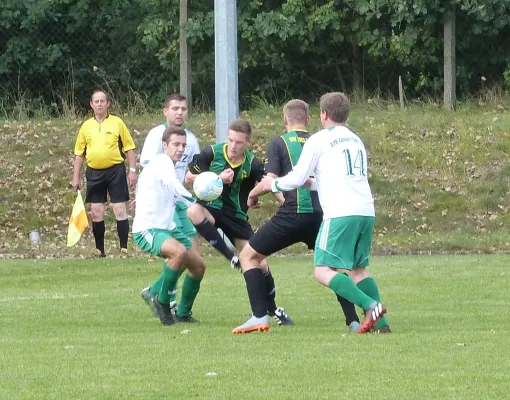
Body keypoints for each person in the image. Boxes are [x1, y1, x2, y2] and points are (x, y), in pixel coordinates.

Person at [261, 92, 390, 334]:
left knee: (322, 271)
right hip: (365, 210)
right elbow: (344, 177)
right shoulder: (355, 139)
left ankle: (371, 306)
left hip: (341, 212)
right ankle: (381, 324)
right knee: (358, 269)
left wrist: (273, 185)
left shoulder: (319, 140)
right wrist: (315, 184)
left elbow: (297, 177)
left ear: (323, 115)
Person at [232, 99, 361, 334]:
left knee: (248, 255)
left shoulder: (279, 143)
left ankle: (259, 316)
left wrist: (251, 196)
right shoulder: (320, 140)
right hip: (321, 215)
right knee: (331, 268)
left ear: (284, 120)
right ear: (309, 119)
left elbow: (270, 181)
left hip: (292, 215)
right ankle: (352, 320)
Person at [185, 118, 294, 327]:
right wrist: (217, 177)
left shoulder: (252, 163)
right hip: (211, 209)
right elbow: (189, 176)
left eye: (239, 142)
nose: (233, 146)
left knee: (259, 262)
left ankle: (273, 309)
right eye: (230, 140)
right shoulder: (212, 153)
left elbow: (268, 184)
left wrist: (284, 202)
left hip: (236, 217)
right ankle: (230, 257)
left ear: (248, 143)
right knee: (193, 210)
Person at [132, 126, 206, 326]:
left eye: (184, 145)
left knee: (198, 267)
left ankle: (182, 312)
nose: (181, 149)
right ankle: (162, 301)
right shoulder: (162, 161)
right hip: (148, 228)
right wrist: (195, 201)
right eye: (176, 144)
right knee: (178, 253)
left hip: (168, 227)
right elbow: (173, 184)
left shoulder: (167, 165)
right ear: (164, 145)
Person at [72, 90, 137, 257]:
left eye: (103, 101)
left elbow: (129, 148)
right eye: (96, 101)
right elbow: (79, 153)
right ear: (91, 104)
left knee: (119, 208)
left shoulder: (117, 123)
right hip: (94, 172)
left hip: (116, 171)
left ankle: (123, 249)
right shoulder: (86, 126)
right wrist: (75, 177)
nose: (100, 104)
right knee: (96, 211)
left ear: (108, 103)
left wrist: (132, 171)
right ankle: (99, 250)